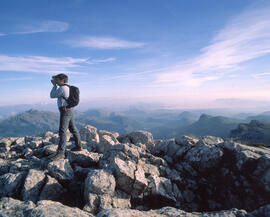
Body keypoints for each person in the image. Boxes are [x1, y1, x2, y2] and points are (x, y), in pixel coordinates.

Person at [49, 73, 83, 161]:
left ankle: (61, 153)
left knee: (62, 130)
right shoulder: (67, 87)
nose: (55, 81)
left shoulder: (62, 88)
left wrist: (54, 86)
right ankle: (78, 146)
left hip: (65, 111)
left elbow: (52, 95)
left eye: (57, 79)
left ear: (62, 80)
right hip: (69, 109)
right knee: (72, 128)